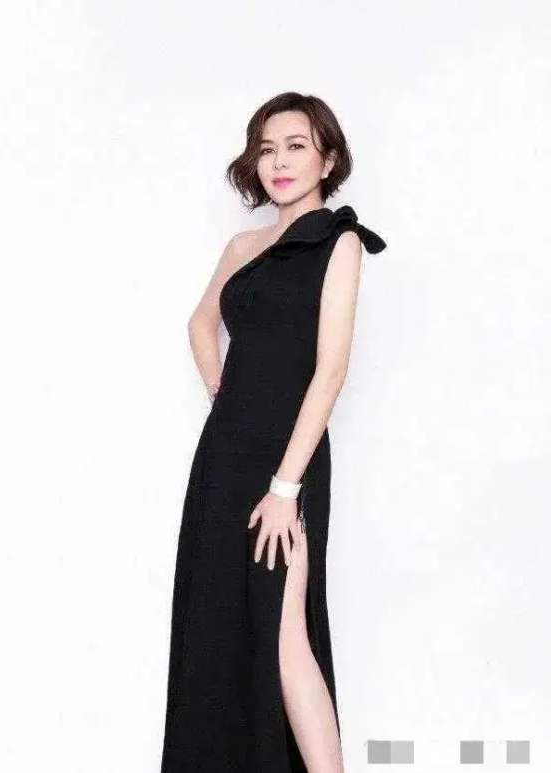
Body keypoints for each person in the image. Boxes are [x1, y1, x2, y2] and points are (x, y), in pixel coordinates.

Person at [160, 90, 387, 773]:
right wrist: (223, 393)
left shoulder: (340, 241)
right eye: (266, 149)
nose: (279, 162)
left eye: (295, 146)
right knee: (219, 624)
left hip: (288, 459)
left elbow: (332, 369)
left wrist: (286, 487)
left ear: (328, 158)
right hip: (225, 455)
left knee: (285, 632)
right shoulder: (243, 245)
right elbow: (201, 324)